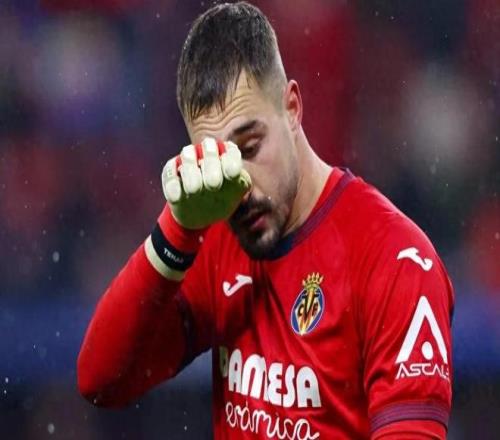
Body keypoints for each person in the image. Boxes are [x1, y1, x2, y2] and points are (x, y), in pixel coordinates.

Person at [77, 2, 454, 439]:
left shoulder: (395, 260)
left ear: (292, 107)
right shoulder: (216, 239)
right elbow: (101, 379)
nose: (240, 185)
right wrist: (176, 230)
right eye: (221, 160)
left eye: (250, 147)